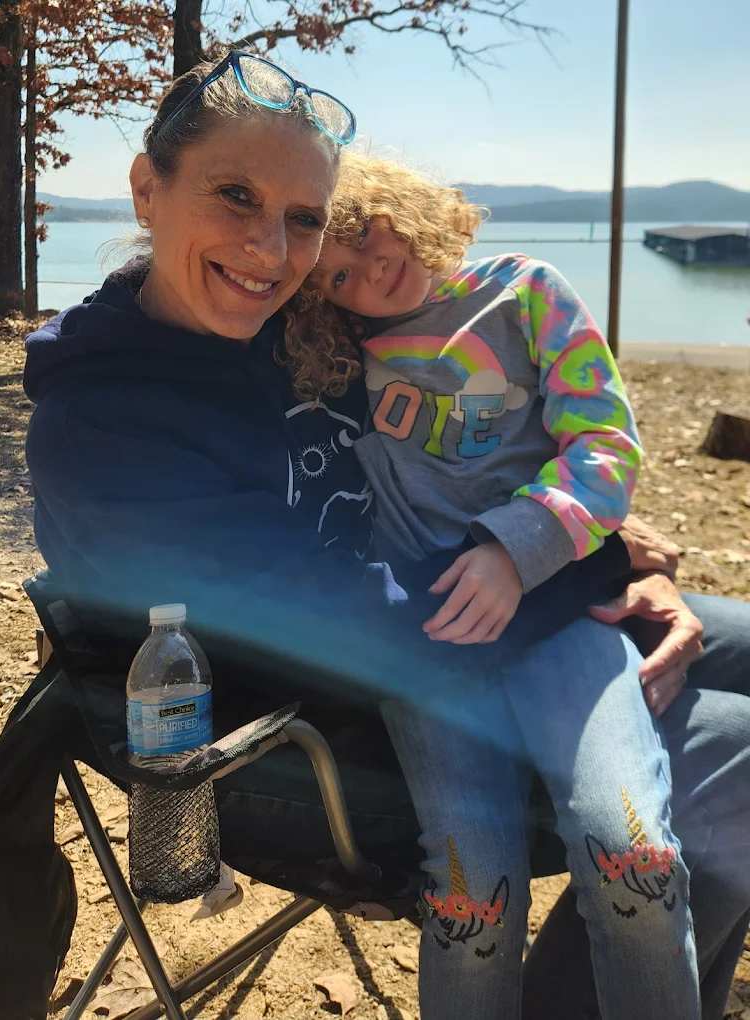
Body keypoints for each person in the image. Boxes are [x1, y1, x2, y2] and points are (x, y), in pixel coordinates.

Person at [22, 51, 750, 1019]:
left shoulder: (289, 319)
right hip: (313, 733)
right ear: (147, 190)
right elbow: (345, 627)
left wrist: (572, 530)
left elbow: (461, 434)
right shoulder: (109, 423)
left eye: (305, 218)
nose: (271, 249)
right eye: (235, 195)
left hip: (463, 598)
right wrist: (590, 565)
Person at [286, 153, 696, 1018]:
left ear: (397, 208)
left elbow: (606, 446)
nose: (370, 270)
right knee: (473, 893)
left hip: (560, 616)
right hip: (431, 649)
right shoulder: (336, 358)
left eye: (364, 234)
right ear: (325, 303)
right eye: (339, 276)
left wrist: (514, 550)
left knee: (634, 858)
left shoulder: (527, 291)